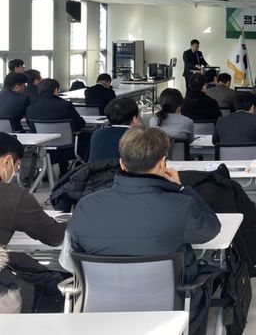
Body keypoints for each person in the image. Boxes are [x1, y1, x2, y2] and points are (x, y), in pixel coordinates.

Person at [65, 126, 221, 335]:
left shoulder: (86, 206)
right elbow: (211, 229)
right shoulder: (180, 205)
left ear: (121, 163)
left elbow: (68, 261)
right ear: (162, 163)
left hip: (101, 309)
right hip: (168, 307)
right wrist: (183, 188)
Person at [0, 132, 67, 313]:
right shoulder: (13, 196)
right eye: (16, 166)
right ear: (6, 162)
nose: (15, 172)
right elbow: (55, 237)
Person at [26, 79, 86, 176]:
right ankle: (76, 169)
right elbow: (80, 124)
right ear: (56, 90)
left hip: (43, 148)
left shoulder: (30, 109)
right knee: (86, 137)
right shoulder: (65, 105)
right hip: (69, 148)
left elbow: (32, 127)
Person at [87, 97, 139, 163]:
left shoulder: (97, 133)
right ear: (134, 119)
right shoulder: (137, 137)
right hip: (122, 172)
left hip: (95, 172)